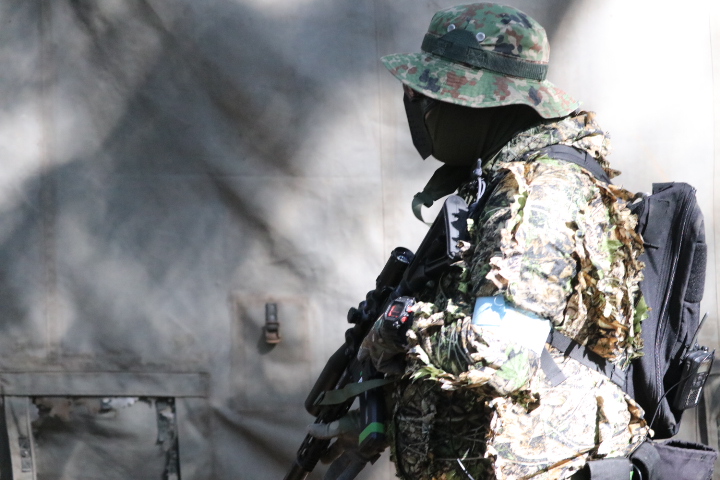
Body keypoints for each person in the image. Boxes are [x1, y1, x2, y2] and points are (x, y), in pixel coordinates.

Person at [311, 3, 650, 479]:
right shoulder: (496, 183)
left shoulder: (537, 196)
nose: (419, 107)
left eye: (430, 95)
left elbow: (501, 354)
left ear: (480, 101)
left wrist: (400, 329)